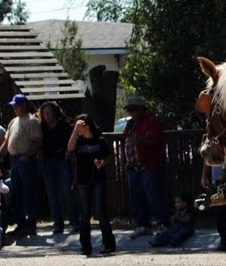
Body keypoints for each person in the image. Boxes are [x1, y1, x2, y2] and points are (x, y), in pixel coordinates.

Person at [68, 113, 117, 257]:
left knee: (101, 213)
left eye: (79, 126)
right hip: (82, 181)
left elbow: (109, 157)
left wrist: (103, 163)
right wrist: (75, 131)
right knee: (85, 214)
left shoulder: (99, 140)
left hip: (98, 180)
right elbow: (70, 148)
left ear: (86, 126)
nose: (77, 128)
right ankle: (85, 246)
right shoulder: (78, 141)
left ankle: (109, 244)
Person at [0, 92, 43, 240]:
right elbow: (6, 143)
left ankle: (30, 224)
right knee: (16, 193)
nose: (15, 109)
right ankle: (21, 224)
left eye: (17, 106)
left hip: (26, 160)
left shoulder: (32, 121)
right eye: (14, 106)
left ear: (24, 105)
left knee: (28, 192)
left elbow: (38, 141)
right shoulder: (13, 121)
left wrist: (28, 154)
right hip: (14, 160)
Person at [122, 94, 166, 235]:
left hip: (148, 165)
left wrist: (140, 140)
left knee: (154, 195)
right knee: (136, 197)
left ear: (141, 109)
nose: (131, 112)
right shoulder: (130, 124)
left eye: (133, 109)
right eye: (130, 110)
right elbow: (125, 141)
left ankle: (163, 223)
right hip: (132, 166)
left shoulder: (152, 121)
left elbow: (155, 140)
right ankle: (141, 225)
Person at [38, 100, 77, 239]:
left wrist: (68, 152)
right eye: (44, 113)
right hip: (48, 162)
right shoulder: (41, 127)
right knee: (52, 194)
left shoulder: (63, 125)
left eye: (49, 112)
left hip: (62, 161)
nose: (47, 116)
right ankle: (58, 224)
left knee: (67, 192)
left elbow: (72, 139)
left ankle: (74, 222)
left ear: (55, 112)